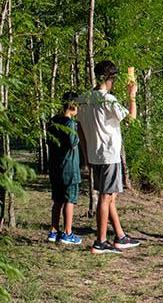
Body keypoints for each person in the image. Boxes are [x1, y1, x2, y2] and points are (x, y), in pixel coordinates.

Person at [77, 60, 140, 254]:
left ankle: (120, 236)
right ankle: (100, 241)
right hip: (109, 153)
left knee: (110, 196)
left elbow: (80, 129)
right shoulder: (108, 100)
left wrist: (86, 152)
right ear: (110, 78)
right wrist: (132, 97)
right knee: (106, 197)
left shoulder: (83, 99)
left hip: (95, 153)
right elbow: (131, 118)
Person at [46, 92, 82, 244]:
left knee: (57, 200)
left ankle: (53, 231)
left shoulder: (53, 121)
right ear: (73, 106)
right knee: (69, 200)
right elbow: (73, 142)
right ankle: (67, 232)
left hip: (55, 166)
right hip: (69, 168)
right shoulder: (70, 124)